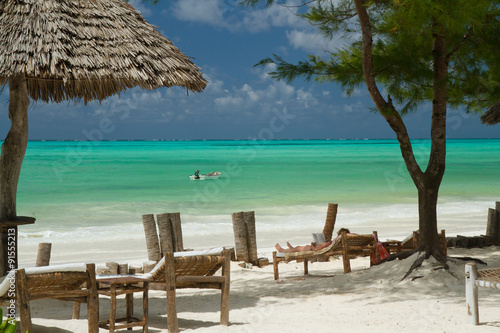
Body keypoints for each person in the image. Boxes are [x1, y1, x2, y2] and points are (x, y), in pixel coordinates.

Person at [275, 228, 351, 253]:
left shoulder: (329, 243)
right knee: (297, 248)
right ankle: (291, 248)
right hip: (316, 248)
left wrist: (312, 245)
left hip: (311, 249)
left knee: (298, 248)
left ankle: (282, 250)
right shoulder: (341, 243)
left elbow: (316, 250)